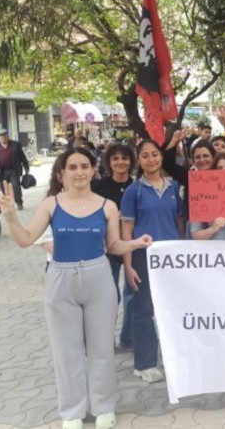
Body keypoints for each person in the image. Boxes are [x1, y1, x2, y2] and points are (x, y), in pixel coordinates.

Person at [0, 147, 151, 429]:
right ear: (62, 173)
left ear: (93, 170)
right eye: (72, 167)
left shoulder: (107, 206)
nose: (79, 172)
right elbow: (25, 239)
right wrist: (10, 216)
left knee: (101, 348)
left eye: (84, 166)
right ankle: (72, 410)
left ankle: (104, 406)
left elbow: (113, 245)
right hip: (60, 279)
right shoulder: (51, 204)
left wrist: (135, 243)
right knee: (66, 351)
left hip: (98, 278)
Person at [121, 140, 183, 383]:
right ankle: (145, 363)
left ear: (161, 157)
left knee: (171, 308)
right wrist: (128, 265)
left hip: (171, 257)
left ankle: (171, 358)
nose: (151, 160)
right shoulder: (133, 191)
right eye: (145, 156)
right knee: (143, 310)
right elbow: (127, 231)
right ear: (139, 160)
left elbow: (179, 222)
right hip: (143, 256)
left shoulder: (174, 187)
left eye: (155, 154)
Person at [91, 143, 136, 349]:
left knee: (133, 293)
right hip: (106, 247)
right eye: (115, 158)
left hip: (131, 246)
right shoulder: (98, 188)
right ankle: (105, 341)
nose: (120, 162)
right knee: (109, 296)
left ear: (131, 161)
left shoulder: (136, 186)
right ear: (108, 162)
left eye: (124, 158)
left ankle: (128, 338)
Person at [0, 129, 29, 210]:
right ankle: (7, 203)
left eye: (5, 136)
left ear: (8, 136)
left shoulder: (16, 144)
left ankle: (19, 202)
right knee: (3, 188)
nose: (3, 138)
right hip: (1, 171)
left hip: (13, 170)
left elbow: (22, 156)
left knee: (16, 186)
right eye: (1, 136)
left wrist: (26, 167)